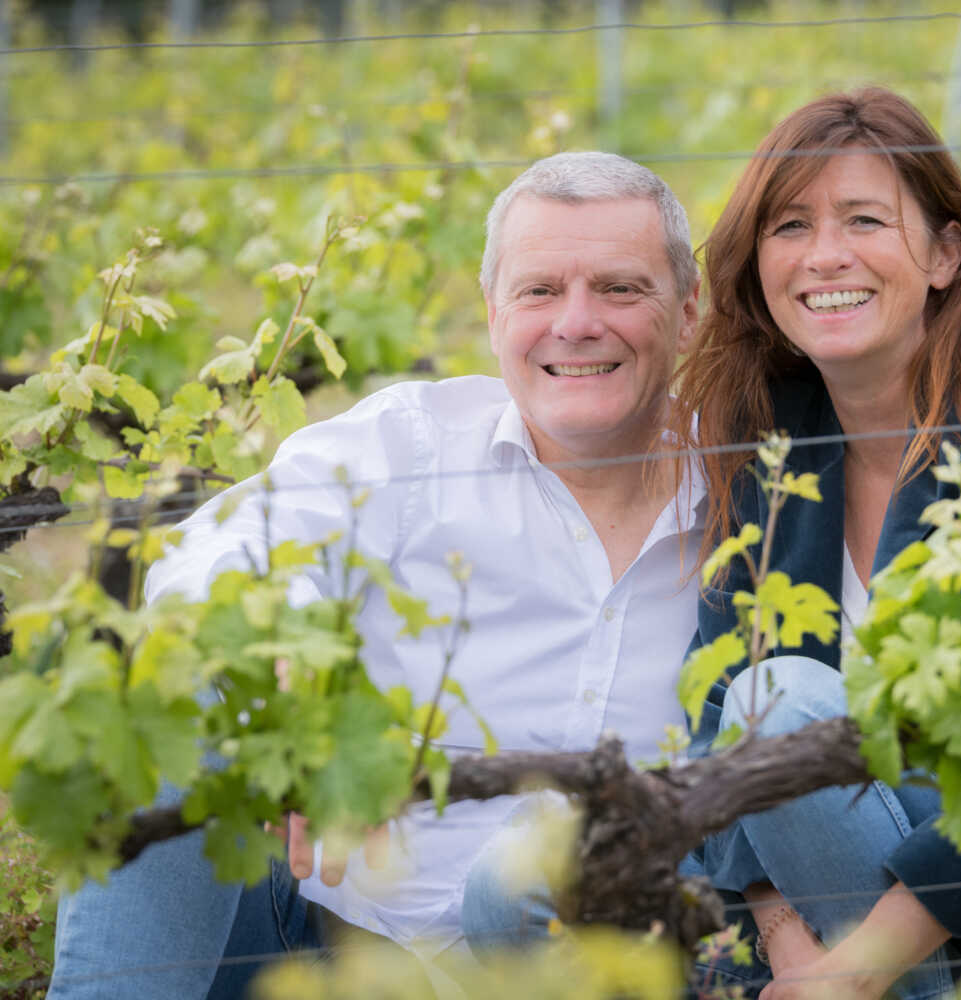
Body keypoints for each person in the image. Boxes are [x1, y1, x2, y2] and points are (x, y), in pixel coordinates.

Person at [48, 151, 725, 998]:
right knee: (162, 693)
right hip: (326, 955)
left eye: (621, 289)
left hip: (600, 973)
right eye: (539, 290)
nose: (577, 322)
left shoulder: (750, 504)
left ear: (690, 309)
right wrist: (286, 677)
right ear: (491, 312)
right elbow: (214, 555)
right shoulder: (413, 445)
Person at [672, 89, 961, 999]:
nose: (824, 256)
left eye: (864, 220)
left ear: (945, 252)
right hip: (821, 919)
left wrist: (855, 972)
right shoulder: (770, 425)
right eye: (791, 225)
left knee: (784, 702)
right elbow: (711, 701)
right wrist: (787, 942)